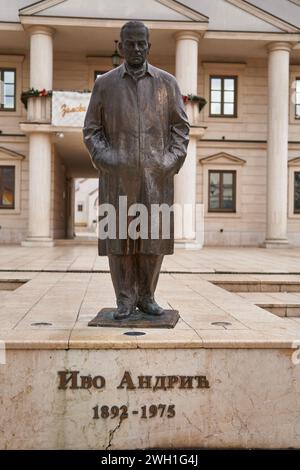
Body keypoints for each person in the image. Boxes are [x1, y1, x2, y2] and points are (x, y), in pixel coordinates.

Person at [83, 20, 189, 320]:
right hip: (117, 178)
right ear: (120, 46)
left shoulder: (167, 83)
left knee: (152, 242)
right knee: (119, 241)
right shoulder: (104, 84)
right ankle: (125, 300)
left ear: (149, 46)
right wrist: (108, 160)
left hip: (157, 178)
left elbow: (180, 128)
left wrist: (168, 162)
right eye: (130, 43)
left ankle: (147, 296)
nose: (136, 48)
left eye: (142, 43)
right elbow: (91, 130)